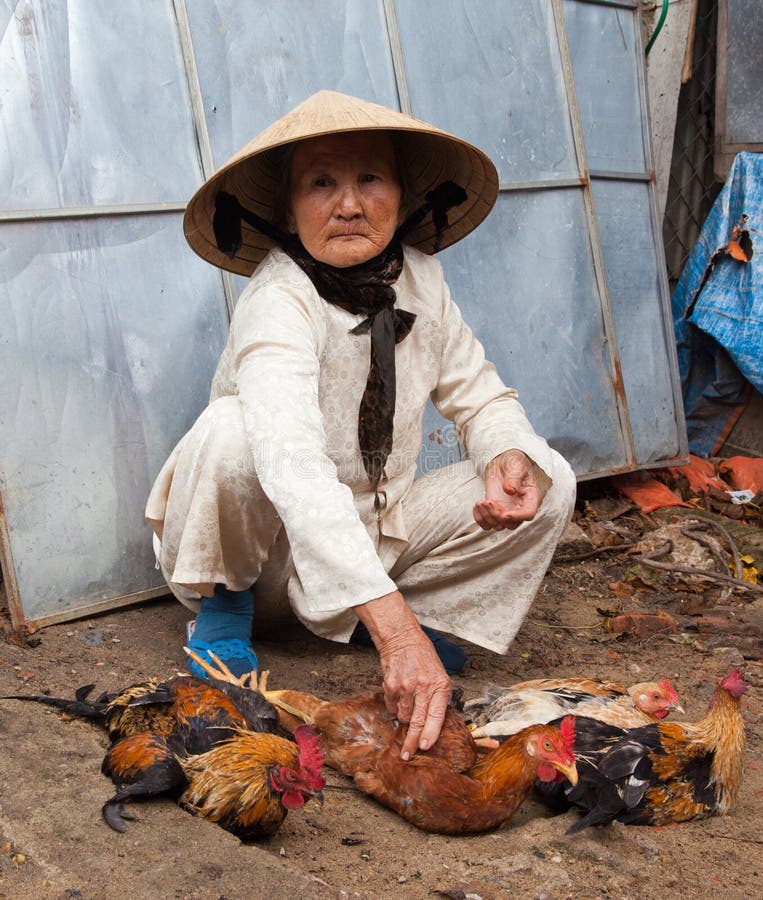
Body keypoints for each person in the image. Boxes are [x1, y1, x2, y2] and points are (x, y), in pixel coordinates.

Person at [146, 90, 576, 759]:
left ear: (402, 198)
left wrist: (505, 455)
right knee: (233, 429)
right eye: (321, 183)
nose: (347, 204)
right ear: (287, 209)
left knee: (552, 479)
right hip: (269, 555)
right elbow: (289, 462)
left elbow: (480, 394)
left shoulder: (423, 280)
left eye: (368, 179)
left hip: (372, 546)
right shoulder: (278, 297)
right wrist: (396, 632)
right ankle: (225, 607)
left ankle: (373, 621)